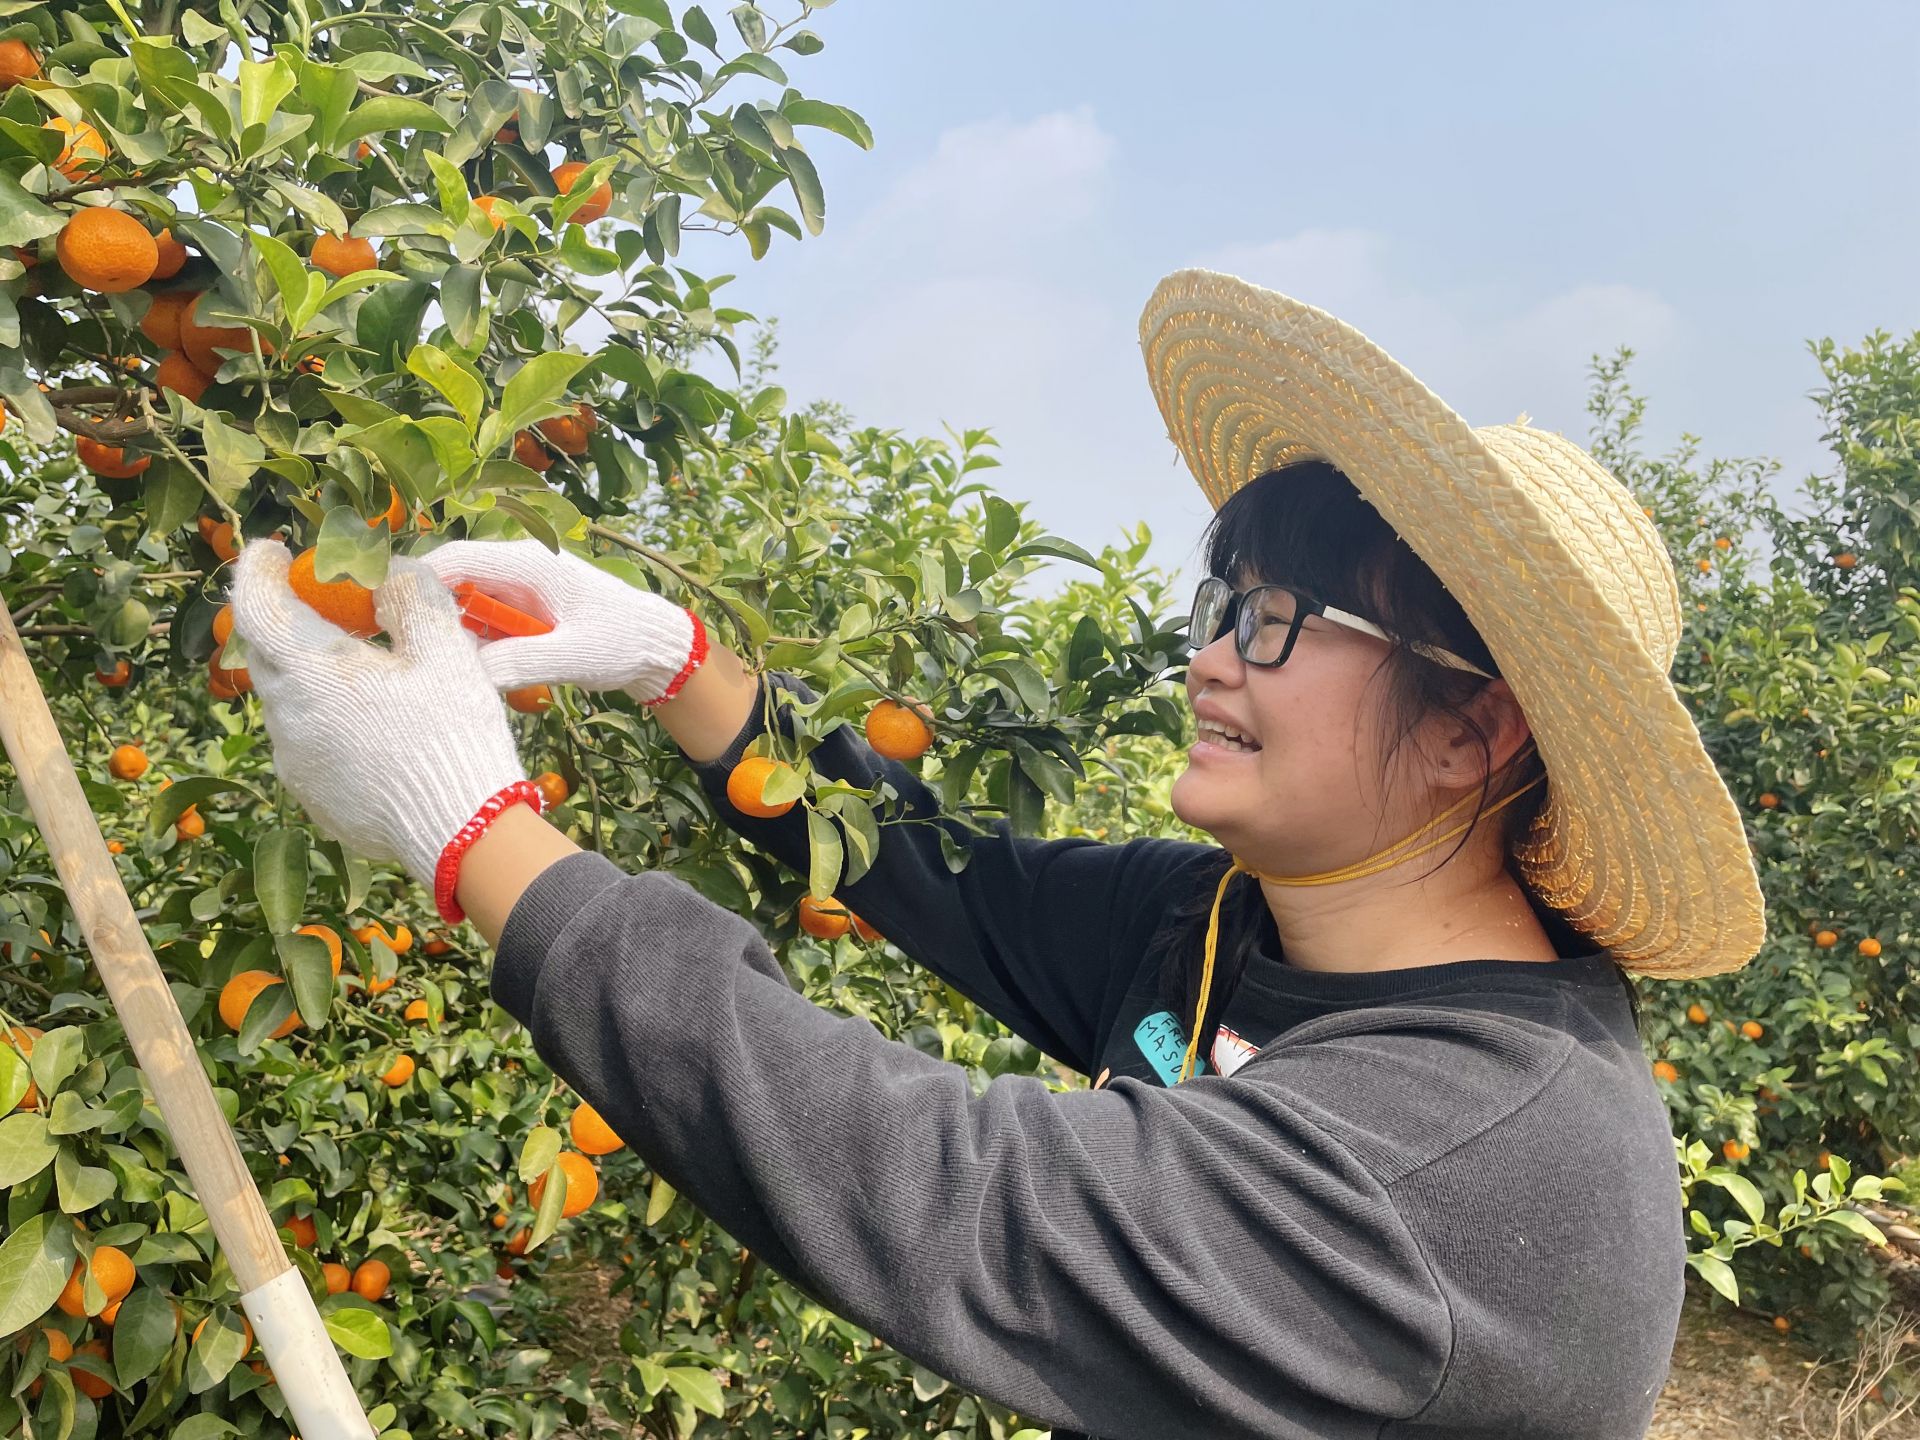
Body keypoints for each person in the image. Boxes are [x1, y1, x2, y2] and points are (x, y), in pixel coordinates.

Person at [230, 269, 1767, 1440]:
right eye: (1218, 609)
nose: (1216, 665)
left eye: (1281, 622)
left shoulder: (1478, 1164)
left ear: (1475, 729)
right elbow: (935, 869)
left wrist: (480, 839)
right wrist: (676, 663)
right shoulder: (1238, 921)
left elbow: (959, 1193)